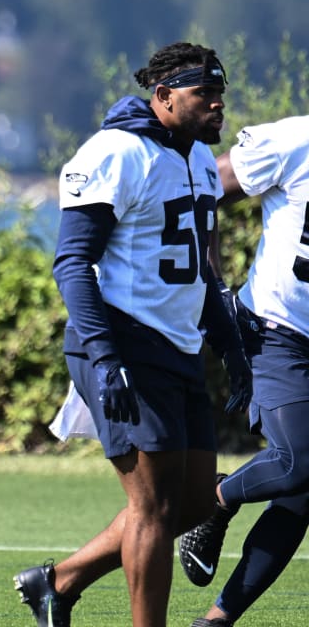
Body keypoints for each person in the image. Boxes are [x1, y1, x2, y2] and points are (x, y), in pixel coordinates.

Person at [13, 42, 253, 627]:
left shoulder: (196, 156)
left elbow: (203, 268)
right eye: (205, 94)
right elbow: (72, 262)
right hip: (123, 342)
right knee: (152, 507)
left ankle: (59, 582)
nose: (218, 105)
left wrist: (230, 345)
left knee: (195, 500)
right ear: (164, 96)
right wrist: (104, 356)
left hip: (177, 346)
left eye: (221, 94)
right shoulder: (117, 152)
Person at [176, 114, 309, 627]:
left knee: (300, 495)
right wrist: (212, 288)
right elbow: (201, 187)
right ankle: (213, 499)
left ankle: (214, 622)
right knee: (298, 461)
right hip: (277, 327)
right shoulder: (297, 141)